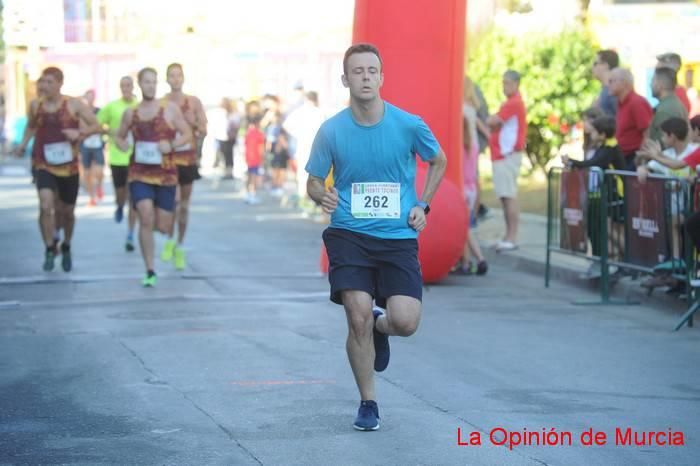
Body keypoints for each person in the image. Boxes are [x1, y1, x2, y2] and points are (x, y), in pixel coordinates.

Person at [306, 43, 447, 431]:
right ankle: (368, 402)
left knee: (406, 322)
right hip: (348, 233)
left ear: (382, 78)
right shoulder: (332, 129)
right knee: (356, 316)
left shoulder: (408, 125)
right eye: (358, 71)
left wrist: (424, 204)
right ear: (345, 79)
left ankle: (381, 325)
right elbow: (313, 181)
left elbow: (438, 159)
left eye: (372, 71)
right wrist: (322, 193)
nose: (365, 77)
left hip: (397, 237)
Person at [13, 67, 101, 272]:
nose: (44, 86)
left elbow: (96, 126)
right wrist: (23, 144)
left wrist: (79, 132)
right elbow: (32, 126)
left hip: (68, 166)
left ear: (60, 83)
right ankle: (49, 248)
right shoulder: (36, 105)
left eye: (49, 82)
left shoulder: (74, 104)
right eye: (42, 81)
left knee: (66, 212)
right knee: (45, 205)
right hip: (43, 162)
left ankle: (66, 245)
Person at [115, 67, 192, 287]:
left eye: (154, 82)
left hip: (166, 175)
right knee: (145, 217)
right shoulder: (131, 113)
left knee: (163, 225)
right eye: (147, 82)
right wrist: (123, 144)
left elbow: (186, 133)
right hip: (139, 173)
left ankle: (167, 236)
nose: (151, 85)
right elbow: (119, 137)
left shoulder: (170, 110)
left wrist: (172, 144)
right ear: (140, 84)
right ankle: (150, 269)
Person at [161, 63, 207, 270]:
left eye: (179, 75)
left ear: (183, 78)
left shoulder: (194, 102)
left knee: (184, 206)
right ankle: (169, 240)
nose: (176, 79)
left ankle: (179, 244)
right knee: (174, 202)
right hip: (168, 160)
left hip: (187, 159)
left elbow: (204, 129)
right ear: (167, 79)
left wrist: (194, 124)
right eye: (172, 75)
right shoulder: (162, 103)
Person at [487, 70, 527, 252]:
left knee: (508, 196)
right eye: (503, 83)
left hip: (507, 155)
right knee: (505, 196)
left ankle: (512, 237)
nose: (504, 87)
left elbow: (492, 121)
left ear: (516, 84)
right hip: (502, 155)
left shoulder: (514, 103)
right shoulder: (510, 103)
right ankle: (508, 236)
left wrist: (492, 121)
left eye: (508, 83)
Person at [97, 76, 139, 250]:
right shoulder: (112, 106)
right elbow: (97, 123)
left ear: (133, 86)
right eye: (123, 85)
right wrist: (110, 132)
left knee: (133, 198)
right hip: (117, 157)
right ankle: (119, 206)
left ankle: (130, 234)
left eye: (129, 85)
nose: (126, 88)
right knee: (121, 194)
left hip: (136, 158)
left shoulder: (140, 107)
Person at [453, 76, 487, 275]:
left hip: (463, 190)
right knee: (465, 226)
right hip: (472, 190)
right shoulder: (472, 149)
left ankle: (476, 259)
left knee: (464, 228)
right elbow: (474, 176)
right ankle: (466, 261)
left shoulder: (459, 152)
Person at [284, 90, 325, 206]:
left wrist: (297, 134)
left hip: (303, 145)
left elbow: (286, 125)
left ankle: (304, 199)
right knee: (316, 174)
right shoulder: (319, 112)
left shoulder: (300, 112)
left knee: (302, 174)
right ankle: (313, 200)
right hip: (317, 147)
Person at [608, 68, 653, 171]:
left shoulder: (636, 103)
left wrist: (640, 160)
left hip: (633, 159)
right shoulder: (621, 103)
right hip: (623, 158)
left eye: (611, 81)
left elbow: (647, 133)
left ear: (624, 83)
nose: (608, 85)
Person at [648, 67, 688, 144]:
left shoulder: (664, 110)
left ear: (660, 85)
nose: (650, 84)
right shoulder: (675, 103)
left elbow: (661, 144)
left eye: (652, 81)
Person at [591, 49, 619, 117]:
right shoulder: (605, 90)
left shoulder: (614, 91)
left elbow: (620, 121)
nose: (592, 67)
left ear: (605, 65)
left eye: (595, 63)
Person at [244, 113, 264, 204]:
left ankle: (248, 194)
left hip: (248, 157)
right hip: (256, 158)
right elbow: (261, 148)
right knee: (254, 177)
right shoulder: (259, 134)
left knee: (249, 176)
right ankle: (253, 194)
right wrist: (262, 158)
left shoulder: (248, 132)